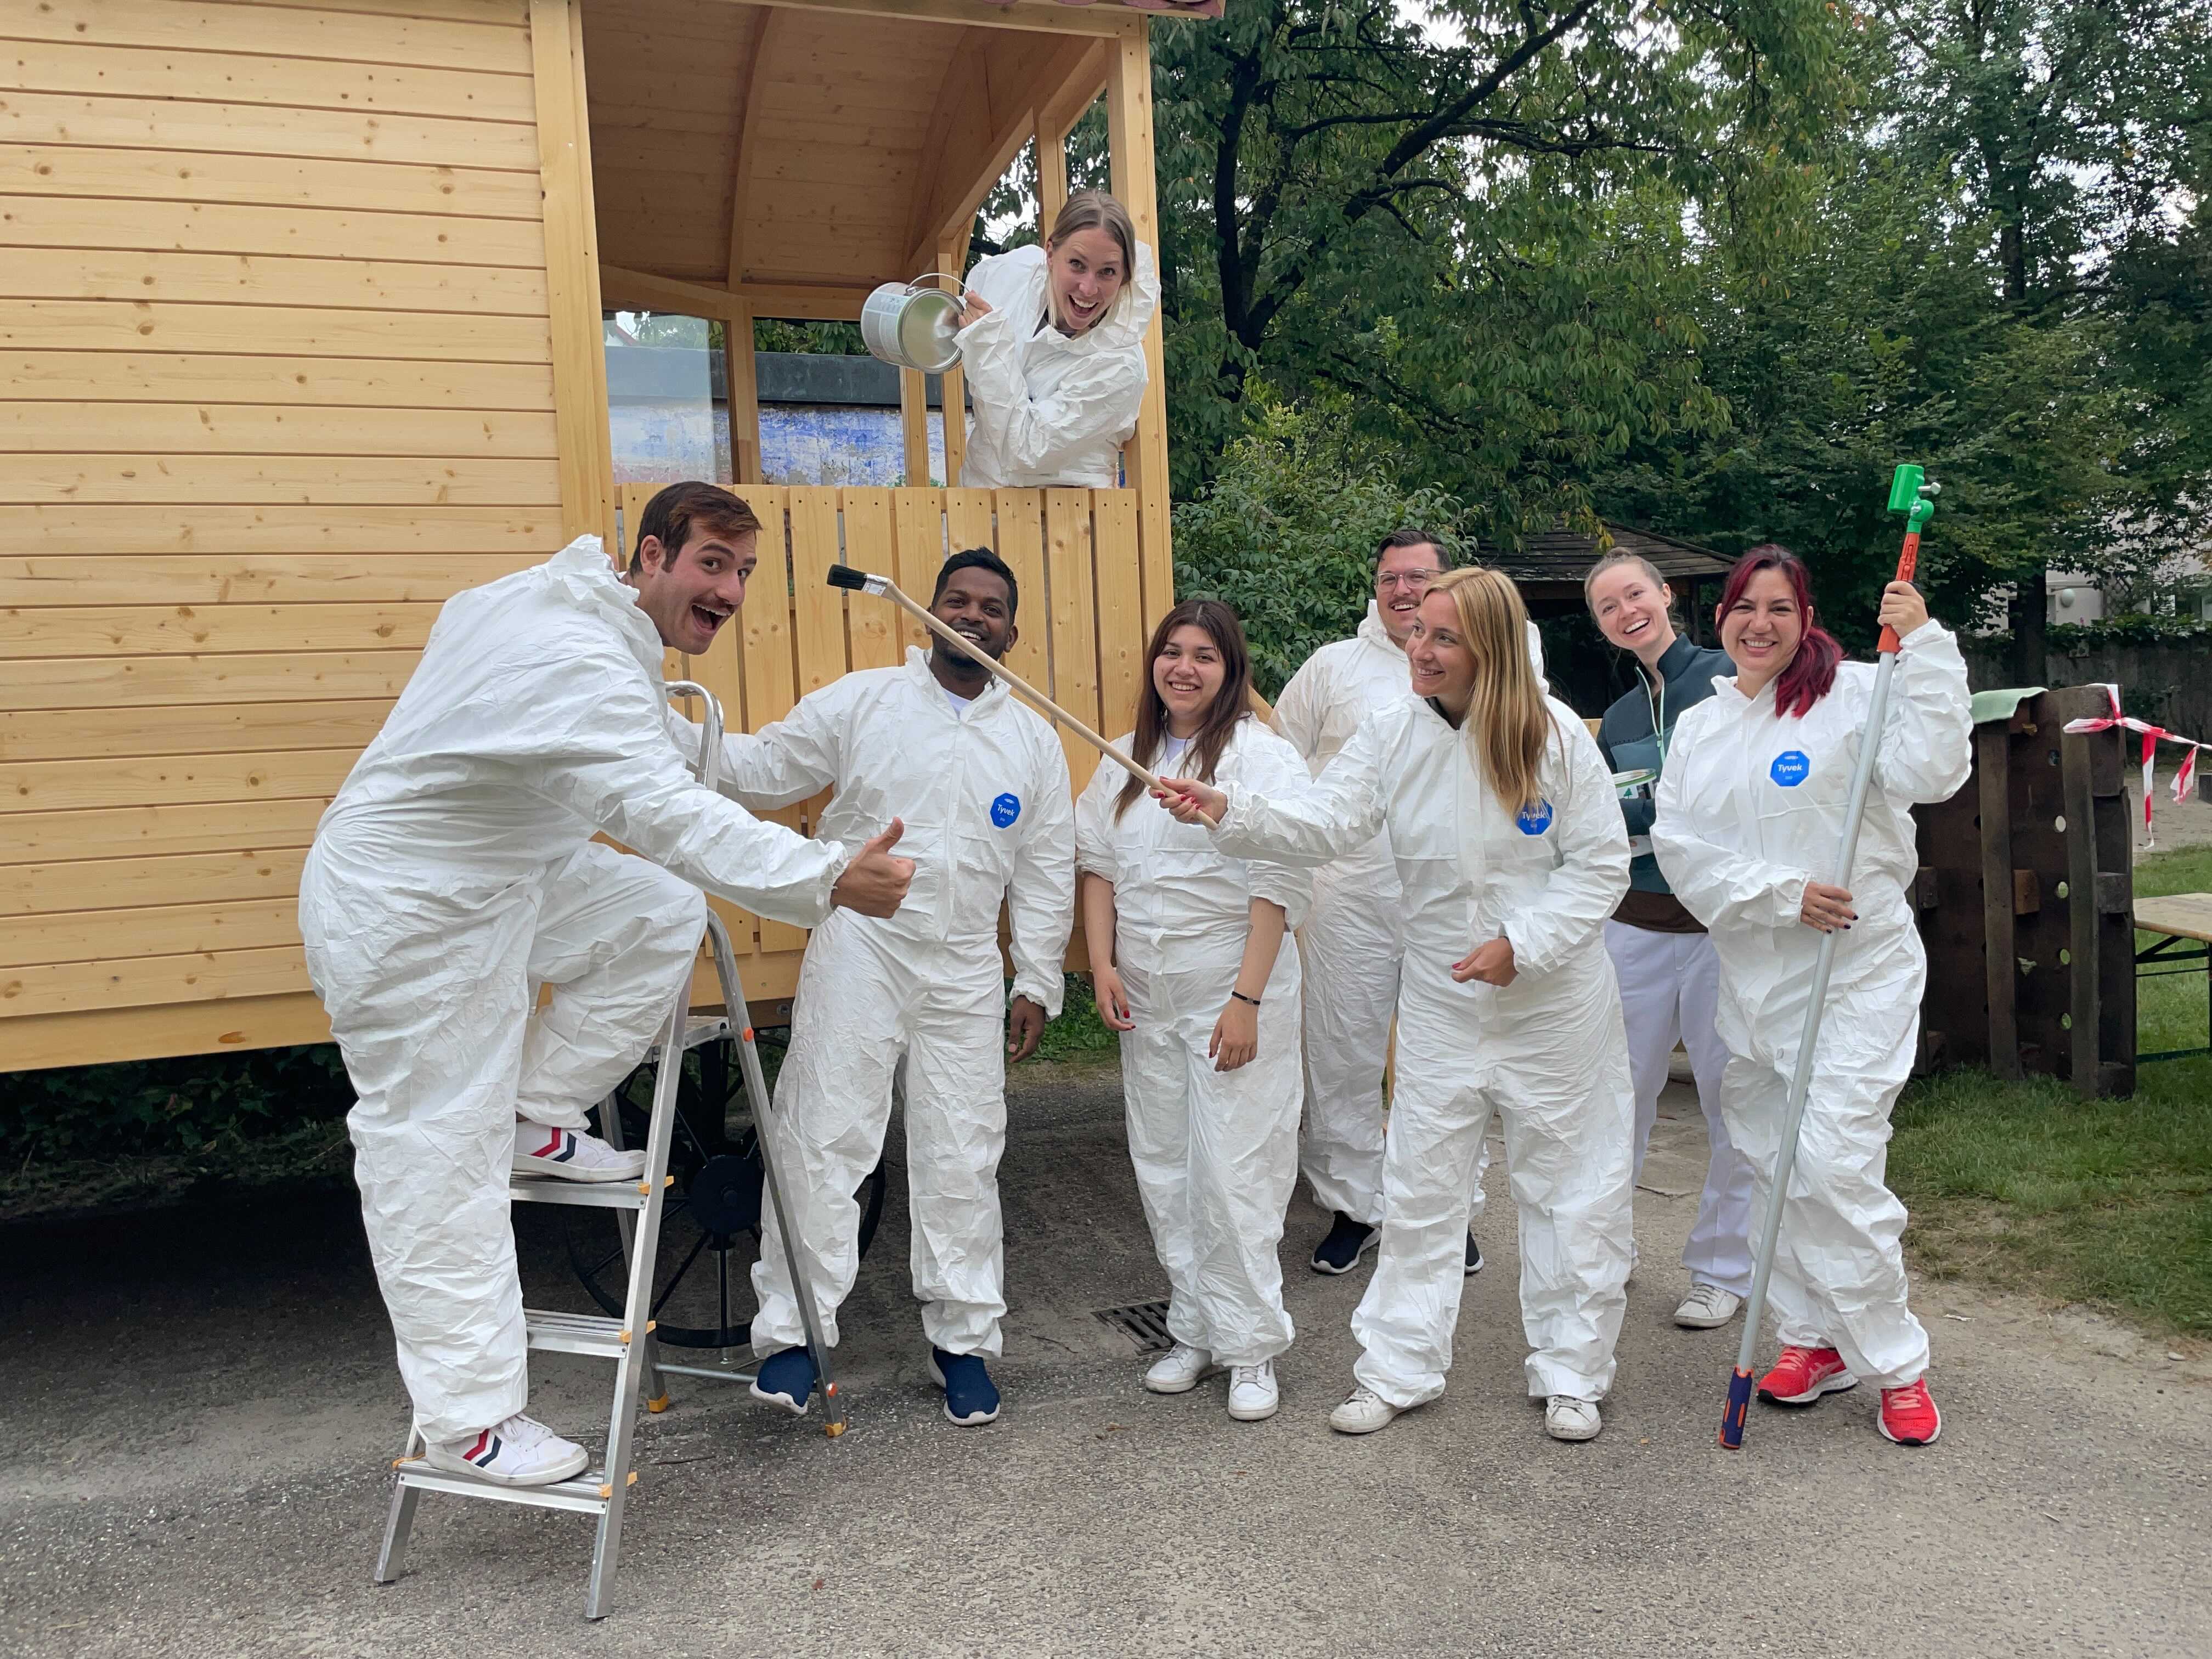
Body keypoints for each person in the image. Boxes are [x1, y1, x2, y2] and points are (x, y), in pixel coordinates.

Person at [299, 482, 913, 1488]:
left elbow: (672, 761)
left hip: (501, 874)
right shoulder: (575, 657)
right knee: (432, 1154)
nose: (729, 589)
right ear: (649, 555)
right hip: (407, 906)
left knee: (660, 913)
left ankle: (530, 1108)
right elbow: (663, 807)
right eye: (712, 562)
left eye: (745, 571)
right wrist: (825, 874)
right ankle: (472, 1421)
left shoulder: (551, 616)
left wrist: (829, 776)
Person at [1159, 568, 1637, 1443]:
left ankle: (1572, 1372)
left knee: (1570, 1187)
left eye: (1442, 637)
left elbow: (1602, 868)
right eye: (1417, 632)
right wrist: (1227, 810)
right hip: (1443, 1002)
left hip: (1553, 1007)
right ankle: (1399, 1369)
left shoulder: (1554, 736)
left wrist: (1522, 945)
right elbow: (1326, 825)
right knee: (1419, 1187)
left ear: (1487, 647)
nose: (1419, 649)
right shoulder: (1390, 734)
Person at [722, 549, 1075, 1429]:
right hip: (863, 944)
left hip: (964, 966)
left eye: (990, 606)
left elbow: (1045, 868)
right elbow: (765, 769)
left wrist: (1034, 977)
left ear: (1011, 629)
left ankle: (963, 1343)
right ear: (927, 615)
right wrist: (661, 733)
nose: (972, 615)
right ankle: (796, 1339)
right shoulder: (866, 701)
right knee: (824, 1136)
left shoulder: (1032, 738)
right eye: (956, 601)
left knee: (963, 1149)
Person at [1651, 546, 1970, 1447]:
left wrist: (1929, 647)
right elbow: (1680, 845)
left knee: (1830, 1161)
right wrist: (1778, 895)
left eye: (1778, 607)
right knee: (1768, 1162)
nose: (1759, 622)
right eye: (1743, 607)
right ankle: (1809, 1334)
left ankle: (1895, 1363)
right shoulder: (1703, 728)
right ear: (1719, 619)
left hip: (1854, 974)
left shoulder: (1858, 694)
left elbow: (1932, 773)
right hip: (1754, 981)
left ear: (1806, 615)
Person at [1274, 529, 1548, 1278]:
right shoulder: (1335, 666)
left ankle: (1445, 1209)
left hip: (1452, 895)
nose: (1401, 590)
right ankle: (1354, 1206)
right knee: (1342, 1051)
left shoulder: (1502, 656)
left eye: (1417, 578)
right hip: (1350, 889)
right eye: (1390, 577)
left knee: (1452, 1058)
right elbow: (1282, 758)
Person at [1076, 600, 1314, 1424]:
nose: (1183, 668)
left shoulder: (1262, 759)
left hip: (1231, 988)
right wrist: (1103, 963)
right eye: (1171, 652)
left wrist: (1246, 1000)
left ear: (1232, 669)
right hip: (1150, 994)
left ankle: (1252, 1347)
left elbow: (1280, 879)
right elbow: (1098, 866)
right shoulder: (1125, 759)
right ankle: (1195, 1327)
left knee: (1237, 1168)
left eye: (1204, 656)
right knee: (1167, 1162)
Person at [1584, 551, 1755, 1329]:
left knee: (1733, 1102)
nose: (1626, 612)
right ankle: (1602, 1254)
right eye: (1607, 607)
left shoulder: (1729, 679)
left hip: (1724, 932)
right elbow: (1607, 823)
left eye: (1634, 594)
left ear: (1665, 595)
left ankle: (1723, 1270)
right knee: (1618, 1101)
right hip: (1637, 929)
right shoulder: (1617, 719)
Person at [953, 189, 1159, 489]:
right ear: (1050, 254)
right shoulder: (1012, 278)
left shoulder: (1121, 367)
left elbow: (1026, 451)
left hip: (1067, 526)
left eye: (1108, 272)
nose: (1088, 288)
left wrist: (987, 347)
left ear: (1125, 276)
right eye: (1077, 264)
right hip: (975, 513)